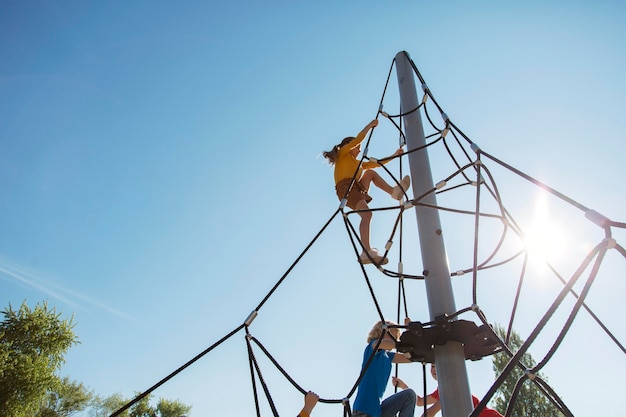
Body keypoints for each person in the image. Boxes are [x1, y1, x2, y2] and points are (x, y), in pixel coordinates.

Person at [323, 119, 410, 265]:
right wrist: (370, 126)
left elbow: (377, 164)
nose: (358, 150)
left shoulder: (358, 164)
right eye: (357, 147)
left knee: (369, 173)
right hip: (346, 189)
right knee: (367, 215)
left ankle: (394, 192)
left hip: (356, 187)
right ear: (349, 146)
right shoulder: (343, 154)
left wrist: (395, 154)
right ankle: (366, 251)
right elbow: (357, 139)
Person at [352, 320, 416, 417]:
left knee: (409, 395)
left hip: (377, 412)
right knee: (409, 394)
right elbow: (380, 344)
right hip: (363, 411)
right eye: (392, 337)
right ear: (382, 332)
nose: (394, 340)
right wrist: (403, 344)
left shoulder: (388, 356)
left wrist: (411, 334)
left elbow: (410, 359)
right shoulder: (372, 348)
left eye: (395, 338)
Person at [392, 364, 503, 417]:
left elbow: (429, 413)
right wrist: (403, 386)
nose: (434, 370)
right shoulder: (441, 390)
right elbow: (420, 401)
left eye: (437, 366)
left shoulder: (449, 384)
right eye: (432, 366)